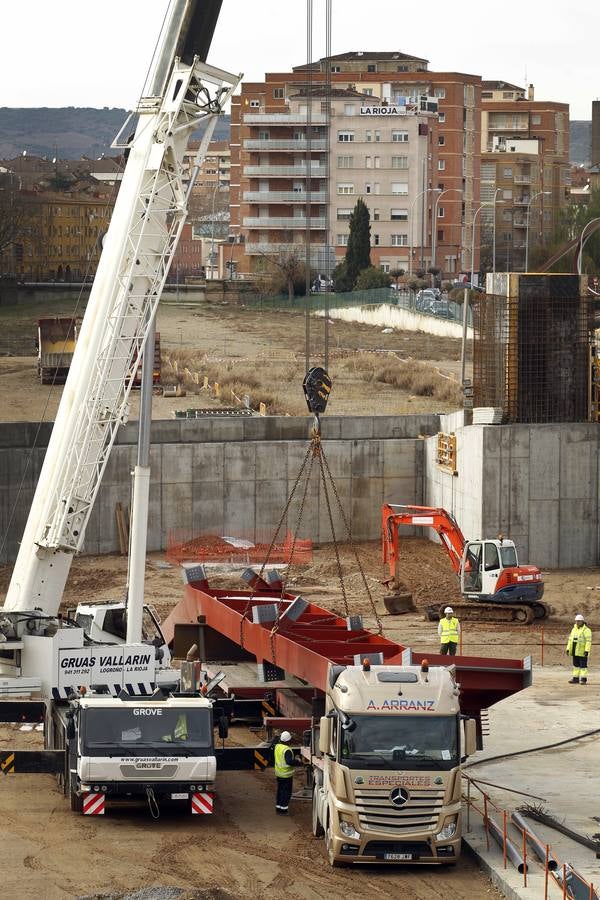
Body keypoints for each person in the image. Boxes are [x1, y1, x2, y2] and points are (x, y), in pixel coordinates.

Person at [273, 730, 298, 815]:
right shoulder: (287, 750)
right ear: (288, 741)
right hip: (286, 775)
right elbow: (289, 761)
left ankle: (278, 808)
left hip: (279, 774)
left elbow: (273, 743)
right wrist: (298, 762)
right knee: (286, 793)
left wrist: (276, 737)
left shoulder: (277, 746)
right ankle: (283, 810)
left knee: (280, 791)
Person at [566, 614, 592, 684]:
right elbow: (570, 640)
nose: (577, 622)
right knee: (576, 666)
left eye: (579, 621)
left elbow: (588, 642)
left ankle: (583, 679)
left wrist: (587, 650)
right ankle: (575, 678)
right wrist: (568, 649)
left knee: (583, 666)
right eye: (576, 621)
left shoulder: (587, 630)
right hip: (575, 651)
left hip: (582, 651)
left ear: (582, 621)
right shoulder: (574, 629)